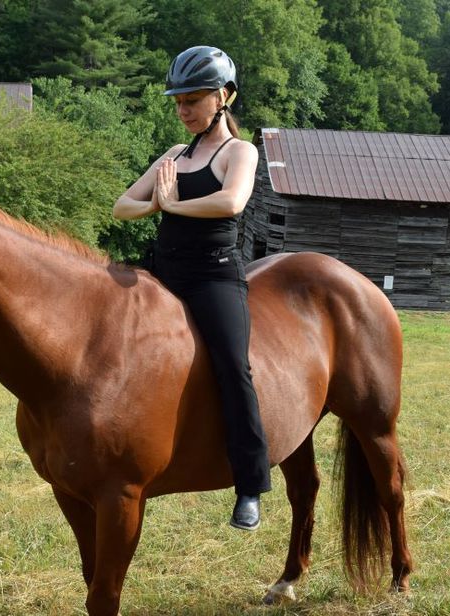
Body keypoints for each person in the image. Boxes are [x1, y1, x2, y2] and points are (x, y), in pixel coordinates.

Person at [113, 45, 270, 531]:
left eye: (193, 100)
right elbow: (122, 206)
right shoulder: (173, 156)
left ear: (224, 97)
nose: (183, 110)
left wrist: (171, 204)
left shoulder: (239, 151)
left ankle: (249, 485)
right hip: (163, 272)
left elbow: (231, 202)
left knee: (232, 364)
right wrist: (158, 204)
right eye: (178, 101)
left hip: (212, 277)